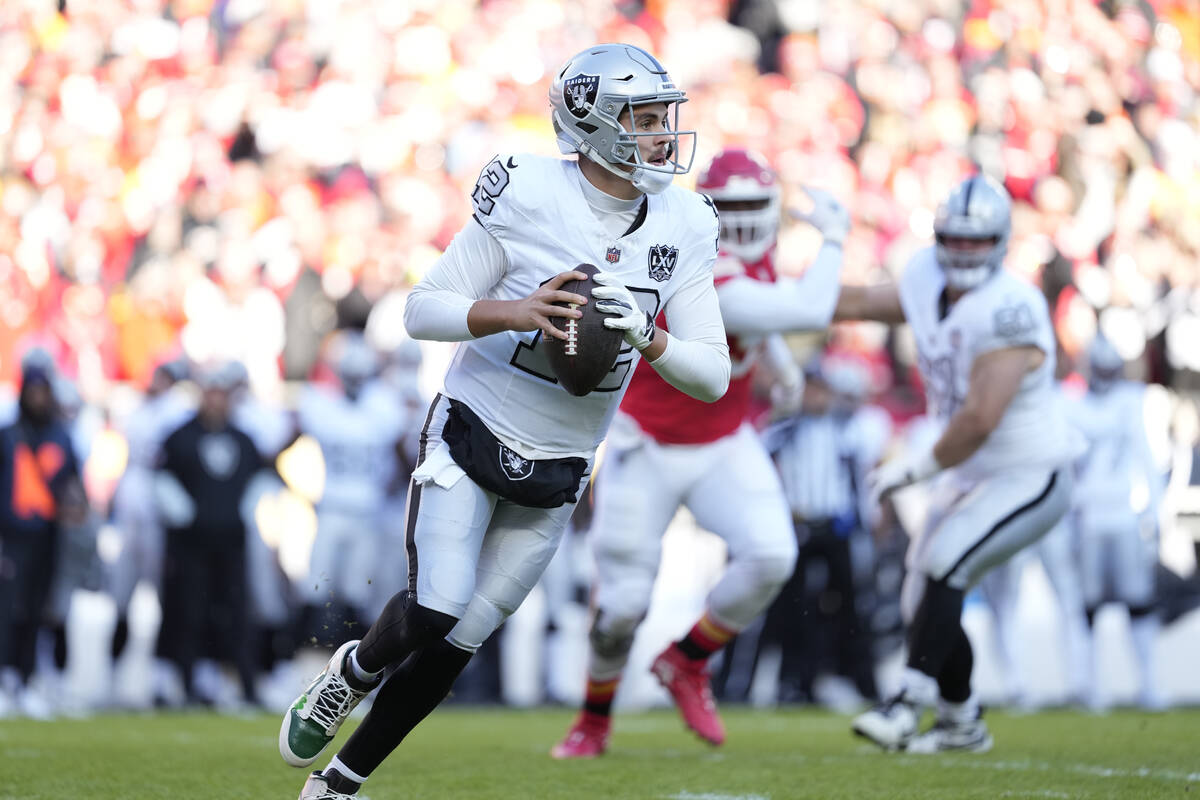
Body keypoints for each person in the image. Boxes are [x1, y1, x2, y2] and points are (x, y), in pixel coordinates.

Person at [279, 43, 731, 800]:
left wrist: (649, 337)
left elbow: (710, 373)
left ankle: (339, 786)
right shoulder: (526, 191)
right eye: (644, 118)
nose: (662, 134)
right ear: (592, 125)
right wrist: (517, 311)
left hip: (561, 460)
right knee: (435, 606)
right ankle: (351, 671)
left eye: (664, 117)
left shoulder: (683, 221)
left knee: (463, 639)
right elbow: (420, 309)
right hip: (473, 425)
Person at [549, 147, 847, 758]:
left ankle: (687, 661)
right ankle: (593, 721)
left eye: (752, 207)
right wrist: (837, 238)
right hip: (649, 442)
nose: (740, 223)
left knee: (771, 555)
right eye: (728, 208)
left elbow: (759, 325)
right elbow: (805, 307)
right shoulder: (707, 266)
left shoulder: (754, 260)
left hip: (721, 439)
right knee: (623, 605)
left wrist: (783, 366)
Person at [836, 173, 1081, 753]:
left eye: (978, 241)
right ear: (940, 236)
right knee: (921, 594)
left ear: (999, 242)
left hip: (1030, 473)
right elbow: (862, 301)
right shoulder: (924, 274)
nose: (965, 251)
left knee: (946, 564)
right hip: (969, 472)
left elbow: (979, 420)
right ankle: (961, 721)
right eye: (956, 239)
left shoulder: (1012, 306)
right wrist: (764, 302)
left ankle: (907, 702)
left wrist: (916, 469)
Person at [154, 364, 264, 707]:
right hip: (191, 544)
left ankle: (245, 683)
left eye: (221, 393)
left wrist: (248, 507)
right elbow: (161, 475)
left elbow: (261, 476)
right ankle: (185, 681)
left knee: (236, 612)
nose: (216, 400)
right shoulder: (180, 436)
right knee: (189, 610)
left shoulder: (243, 438)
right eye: (210, 392)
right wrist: (181, 511)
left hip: (231, 542)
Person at [1071, 336, 1167, 710]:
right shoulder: (1074, 408)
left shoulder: (1131, 402)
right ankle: (1092, 687)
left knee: (1138, 602)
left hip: (1124, 515)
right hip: (1089, 518)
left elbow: (1147, 456)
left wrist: (1155, 515)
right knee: (1089, 606)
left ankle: (1148, 684)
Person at [293, 332, 406, 646]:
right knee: (316, 587)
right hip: (333, 509)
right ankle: (303, 657)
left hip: (368, 513)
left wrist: (391, 486)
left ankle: (351, 669)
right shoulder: (322, 405)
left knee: (359, 591)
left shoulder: (383, 406)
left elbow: (402, 458)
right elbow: (284, 445)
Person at [0, 352, 83, 719]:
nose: (37, 397)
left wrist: (76, 505)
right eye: (32, 389)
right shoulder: (8, 435)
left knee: (36, 610)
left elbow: (74, 486)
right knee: (7, 611)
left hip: (47, 535)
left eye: (42, 389)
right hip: (12, 535)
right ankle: (5, 680)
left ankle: (28, 678)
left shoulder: (61, 436)